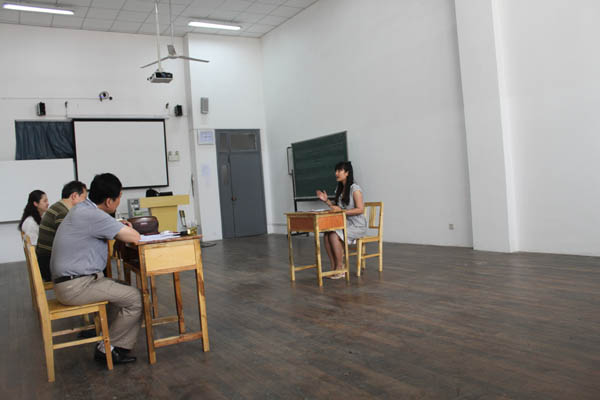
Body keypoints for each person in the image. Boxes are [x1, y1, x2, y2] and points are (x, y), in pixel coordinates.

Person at [50, 173, 141, 364]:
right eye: (119, 198)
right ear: (108, 201)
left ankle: (109, 342)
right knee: (136, 298)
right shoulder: (93, 215)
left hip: (69, 283)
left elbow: (100, 226)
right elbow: (134, 237)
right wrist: (121, 227)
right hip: (76, 287)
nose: (119, 202)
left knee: (122, 289)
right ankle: (109, 348)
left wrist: (115, 225)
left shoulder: (82, 208)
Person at [316, 161, 367, 279]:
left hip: (357, 226)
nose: (336, 173)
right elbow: (336, 208)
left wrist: (342, 211)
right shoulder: (340, 189)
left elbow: (360, 209)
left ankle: (340, 268)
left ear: (347, 173)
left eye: (339, 171)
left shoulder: (355, 189)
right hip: (345, 224)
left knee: (333, 234)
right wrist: (326, 201)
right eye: (336, 171)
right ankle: (334, 267)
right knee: (327, 234)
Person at [36, 181, 88, 282]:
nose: (86, 202)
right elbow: (70, 242)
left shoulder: (58, 207)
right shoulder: (63, 212)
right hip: (51, 264)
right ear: (74, 196)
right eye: (84, 198)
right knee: (93, 264)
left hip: (46, 259)